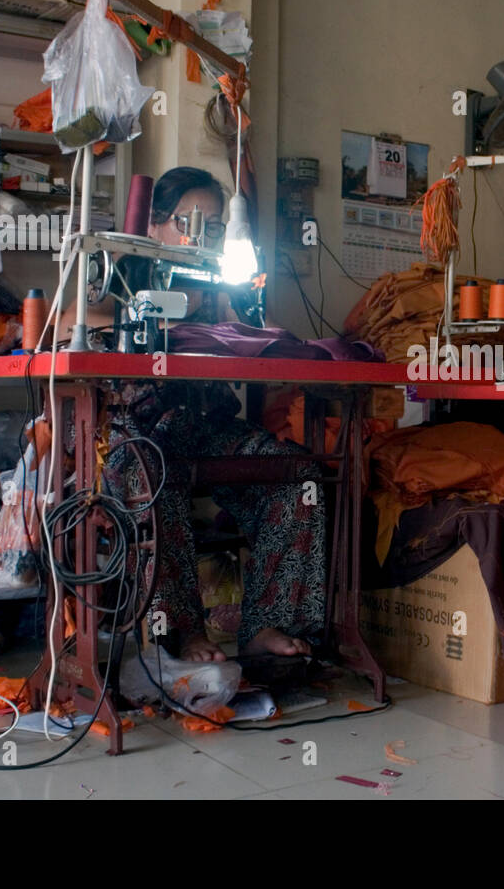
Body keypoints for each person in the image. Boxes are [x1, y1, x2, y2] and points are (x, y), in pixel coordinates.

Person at [62, 167, 325, 663]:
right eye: (188, 221)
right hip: (131, 430)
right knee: (152, 474)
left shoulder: (212, 280)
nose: (200, 235)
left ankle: (268, 624)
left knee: (297, 478)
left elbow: (260, 332)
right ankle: (179, 631)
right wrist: (125, 320)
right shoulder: (120, 271)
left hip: (204, 427)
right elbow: (64, 325)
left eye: (214, 226)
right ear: (155, 223)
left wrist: (286, 339)